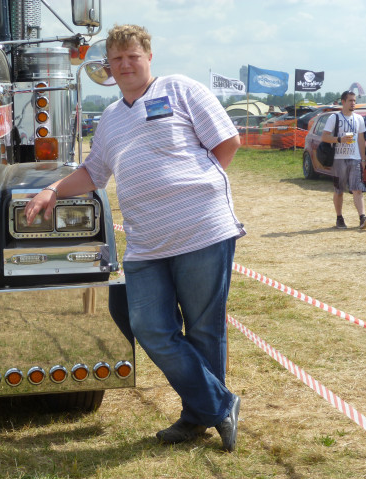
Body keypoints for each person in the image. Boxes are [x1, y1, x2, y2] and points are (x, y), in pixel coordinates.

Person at [24, 24, 244, 452]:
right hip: (146, 243)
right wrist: (52, 189)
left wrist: (193, 186)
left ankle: (197, 416)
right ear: (108, 65)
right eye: (117, 59)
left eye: (133, 56)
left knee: (203, 330)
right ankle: (220, 405)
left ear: (148, 57)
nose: (125, 65)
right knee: (149, 327)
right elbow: (94, 172)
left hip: (201, 230)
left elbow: (227, 143)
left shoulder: (180, 89)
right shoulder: (109, 118)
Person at [321, 91, 366, 230]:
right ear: (343, 102)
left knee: (358, 189)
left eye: (354, 100)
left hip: (354, 159)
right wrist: (339, 139)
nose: (353, 103)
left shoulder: (359, 119)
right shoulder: (334, 118)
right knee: (339, 190)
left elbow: (361, 139)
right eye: (350, 100)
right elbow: (324, 137)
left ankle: (362, 218)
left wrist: (363, 158)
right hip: (338, 159)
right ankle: (339, 218)